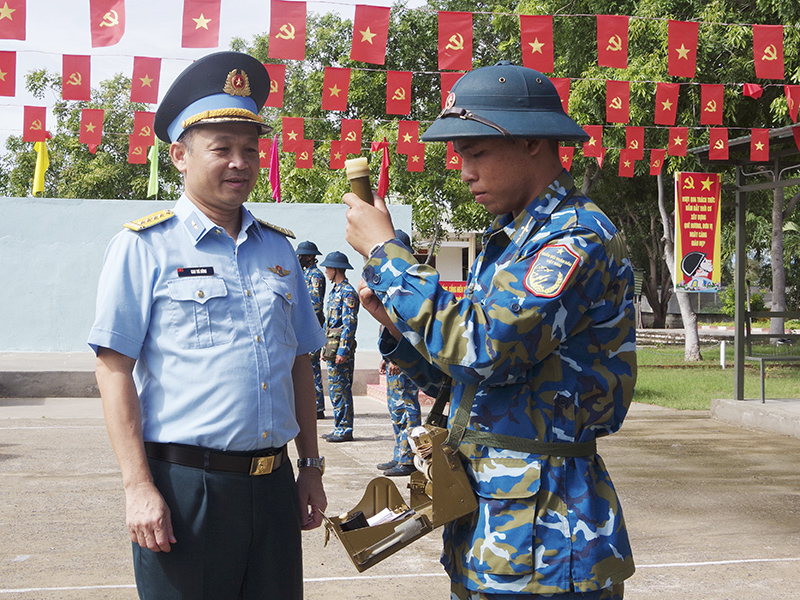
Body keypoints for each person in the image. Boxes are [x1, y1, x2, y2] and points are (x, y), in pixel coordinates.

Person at [342, 61, 637, 600]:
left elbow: (483, 350)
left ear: (531, 143)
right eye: (460, 155)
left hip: (549, 541)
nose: (463, 170)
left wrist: (388, 256)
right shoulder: (510, 243)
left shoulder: (574, 238)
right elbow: (460, 380)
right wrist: (396, 326)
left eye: (475, 152)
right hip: (494, 526)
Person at [88, 51, 327, 600]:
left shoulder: (279, 251)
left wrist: (309, 466)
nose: (239, 163)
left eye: (250, 149)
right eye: (221, 149)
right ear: (179, 155)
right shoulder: (143, 247)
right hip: (185, 488)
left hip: (272, 487)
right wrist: (137, 487)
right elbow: (113, 370)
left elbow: (299, 363)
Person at [376, 230, 421, 477]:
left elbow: (409, 325)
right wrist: (386, 357)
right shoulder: (392, 281)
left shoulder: (409, 282)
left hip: (405, 360)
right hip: (394, 358)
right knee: (396, 410)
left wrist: (399, 359)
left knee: (408, 408)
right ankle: (400, 455)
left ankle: (411, 459)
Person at [319, 251, 359, 443]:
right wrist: (324, 348)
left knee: (342, 389)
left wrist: (343, 350)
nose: (326, 271)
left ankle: (345, 429)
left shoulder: (348, 293)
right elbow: (329, 324)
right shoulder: (334, 291)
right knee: (335, 389)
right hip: (331, 347)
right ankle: (338, 426)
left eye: (328, 268)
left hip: (341, 350)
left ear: (336, 269)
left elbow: (349, 324)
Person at [296, 240, 327, 418]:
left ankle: (317, 407)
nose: (298, 258)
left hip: (311, 327)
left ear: (310, 257)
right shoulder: (304, 273)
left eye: (301, 255)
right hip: (304, 328)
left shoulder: (315, 276)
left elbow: (315, 305)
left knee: (312, 368)